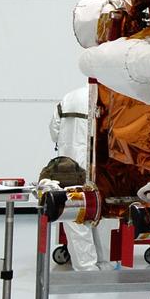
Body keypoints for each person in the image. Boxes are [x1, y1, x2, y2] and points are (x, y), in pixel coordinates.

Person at [43, 84, 105, 271]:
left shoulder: (69, 97)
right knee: (93, 214)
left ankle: (89, 265)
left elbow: (54, 130)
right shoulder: (105, 96)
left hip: (68, 167)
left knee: (76, 215)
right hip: (95, 166)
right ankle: (91, 266)